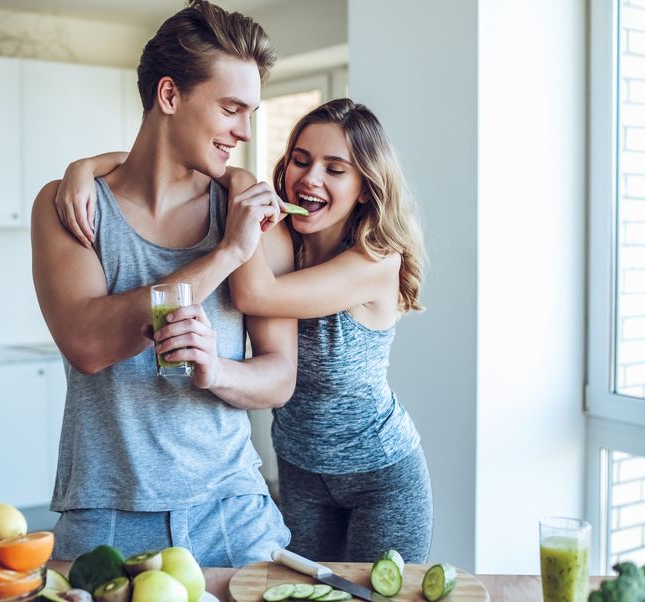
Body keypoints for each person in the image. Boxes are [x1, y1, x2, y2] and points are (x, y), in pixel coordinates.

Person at [54, 99, 433, 563]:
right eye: (301, 160)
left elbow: (255, 296)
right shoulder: (282, 239)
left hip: (379, 474)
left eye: (336, 169)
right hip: (298, 470)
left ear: (364, 189)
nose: (311, 178)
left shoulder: (375, 262)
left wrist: (238, 183)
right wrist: (85, 166)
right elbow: (158, 158)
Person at [30, 0, 298, 568]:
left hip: (235, 515)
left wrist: (217, 370)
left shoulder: (247, 206)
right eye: (230, 109)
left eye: (249, 113)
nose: (243, 133)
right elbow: (88, 344)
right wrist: (225, 254)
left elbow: (279, 378)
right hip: (106, 517)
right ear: (170, 96)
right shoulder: (74, 206)